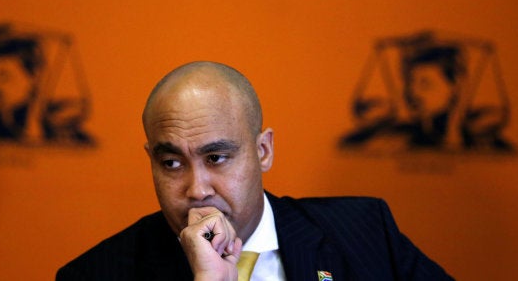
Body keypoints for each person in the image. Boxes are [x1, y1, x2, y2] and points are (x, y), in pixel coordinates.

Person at [56, 61, 453, 280]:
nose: (197, 189)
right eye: (172, 163)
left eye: (216, 158)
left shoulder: (364, 231)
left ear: (263, 151)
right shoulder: (96, 276)